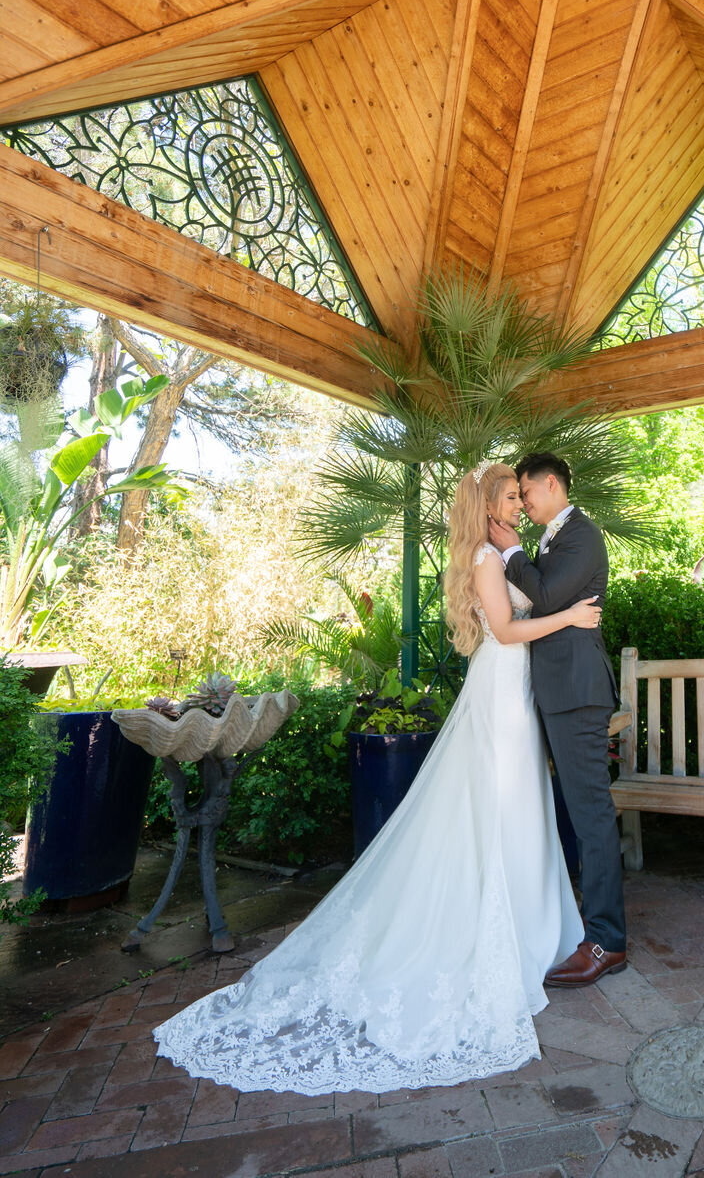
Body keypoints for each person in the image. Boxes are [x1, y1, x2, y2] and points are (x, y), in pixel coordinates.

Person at [152, 461, 600, 1094]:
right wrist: (569, 619)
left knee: (521, 812)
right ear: (487, 505)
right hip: (501, 700)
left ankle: (535, 930)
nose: (517, 503)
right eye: (508, 495)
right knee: (505, 812)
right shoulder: (485, 556)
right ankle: (512, 938)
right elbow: (504, 630)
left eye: (518, 495)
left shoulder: (501, 553)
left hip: (513, 697)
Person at [488, 451, 627, 987]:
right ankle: (584, 926)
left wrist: (510, 551)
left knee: (591, 812)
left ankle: (607, 942)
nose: (523, 502)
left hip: (578, 693)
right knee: (578, 808)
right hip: (556, 692)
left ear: (551, 484)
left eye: (526, 493)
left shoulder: (581, 535)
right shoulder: (554, 537)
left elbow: (544, 595)